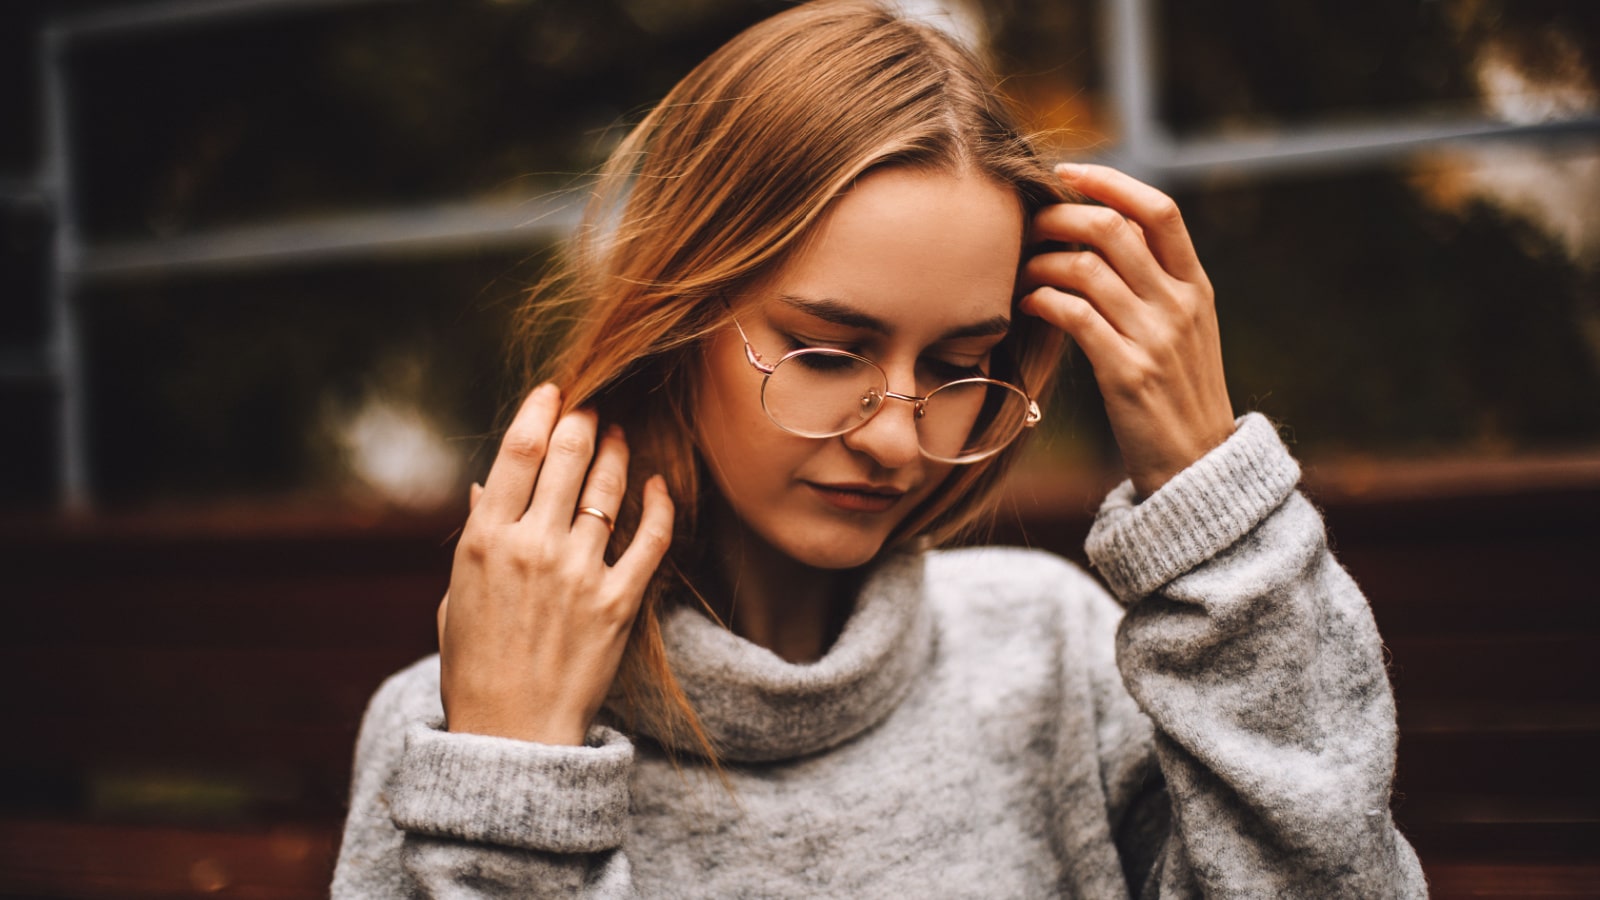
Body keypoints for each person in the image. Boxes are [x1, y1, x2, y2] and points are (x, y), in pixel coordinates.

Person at [332, 1, 1426, 896]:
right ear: (679, 321)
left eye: (959, 366)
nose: (900, 438)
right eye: (824, 351)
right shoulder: (457, 731)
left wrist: (1216, 516)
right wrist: (511, 796)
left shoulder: (1052, 651)